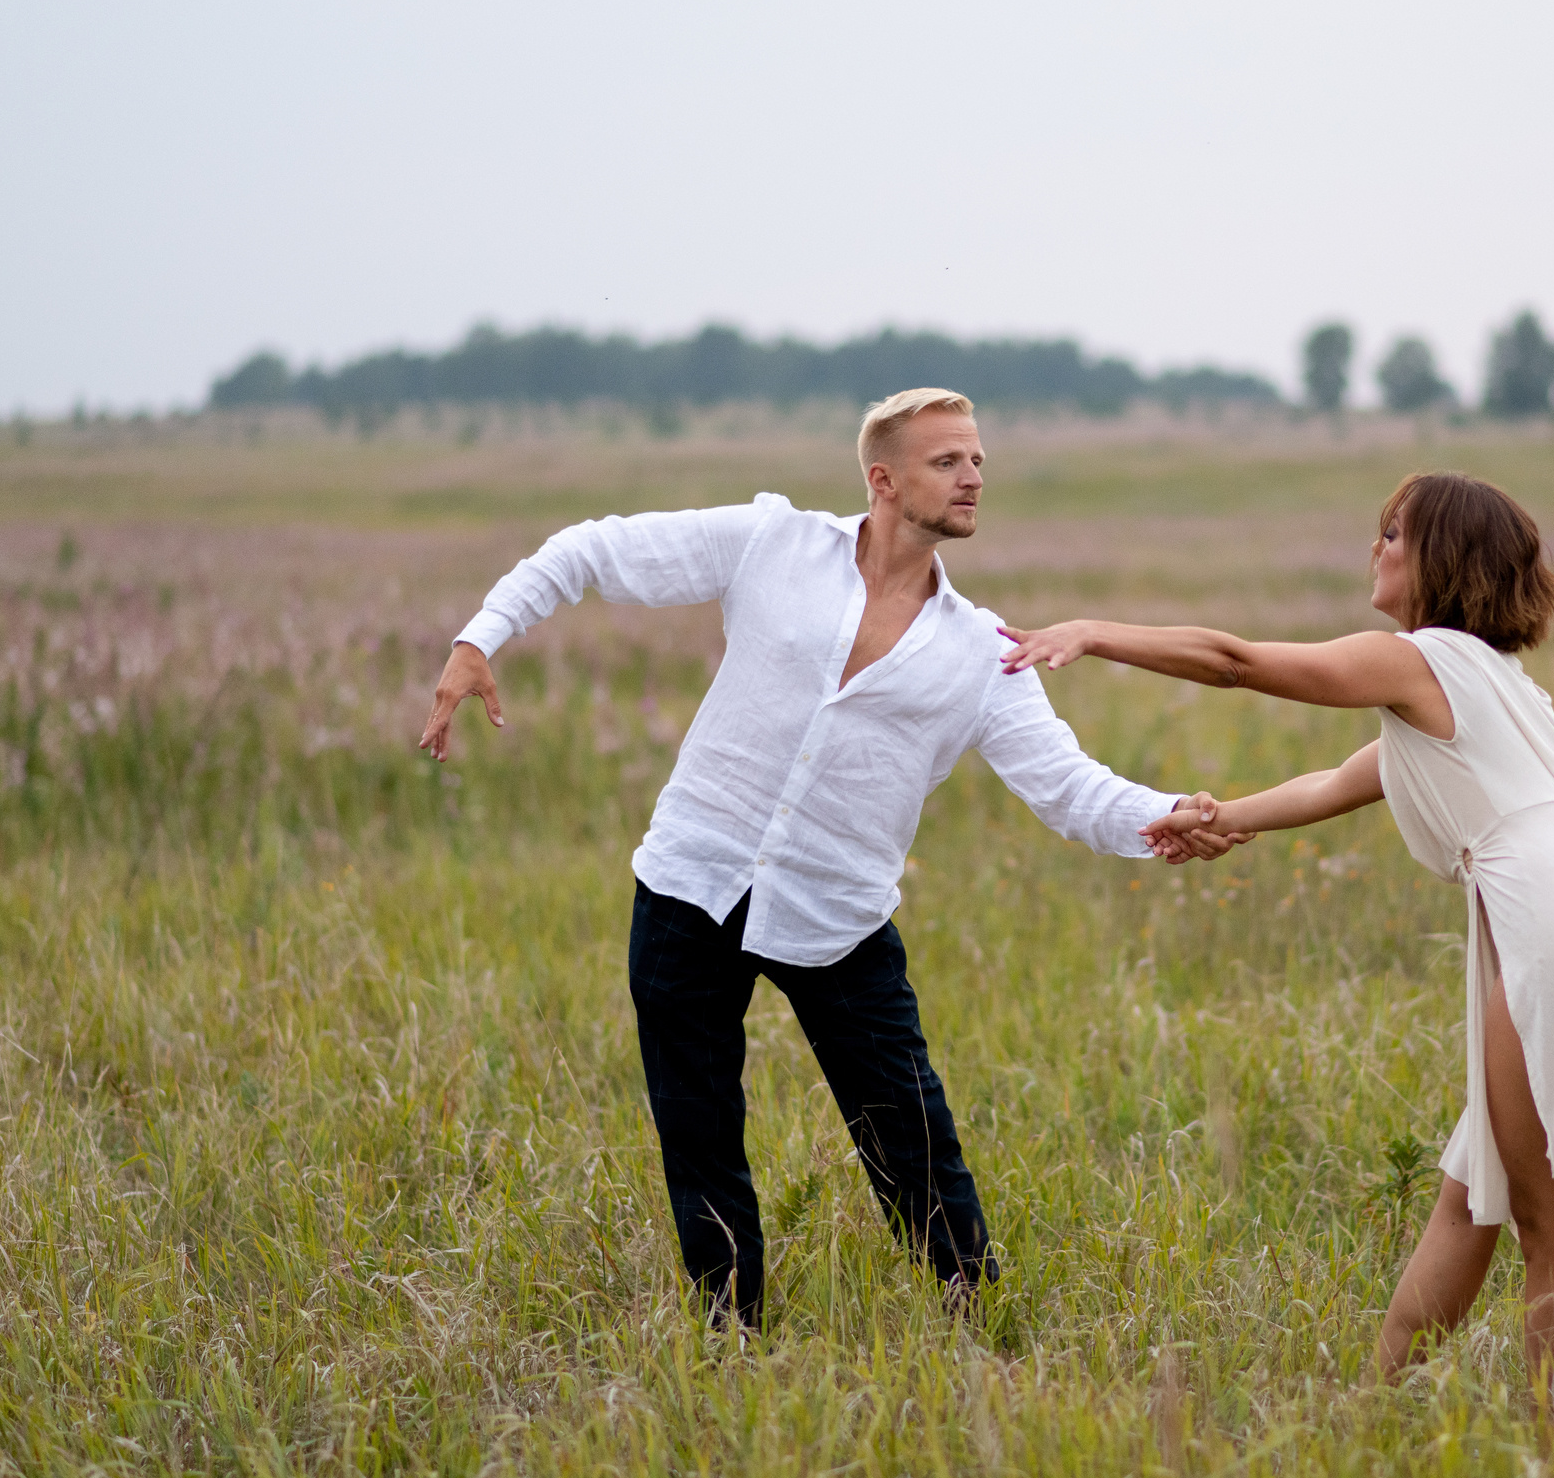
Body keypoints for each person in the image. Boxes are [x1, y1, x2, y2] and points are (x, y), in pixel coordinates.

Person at [419, 387, 1237, 1333]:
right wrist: (479, 636)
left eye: (978, 460)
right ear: (883, 480)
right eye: (947, 461)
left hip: (839, 918)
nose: (973, 475)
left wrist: (1165, 815)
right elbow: (592, 549)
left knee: (913, 1140)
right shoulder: (773, 542)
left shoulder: (982, 651)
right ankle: (731, 1335)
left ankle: (982, 1325)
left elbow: (1069, 785)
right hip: (690, 881)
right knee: (699, 1133)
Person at [999, 471, 1554, 1384]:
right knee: (1471, 1198)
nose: (1375, 547)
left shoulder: (1423, 659)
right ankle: (1373, 1407)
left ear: (1442, 559)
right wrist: (1219, 818)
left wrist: (1094, 633)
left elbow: (1236, 662)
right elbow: (1338, 782)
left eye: (1393, 533)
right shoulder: (1488, 682)